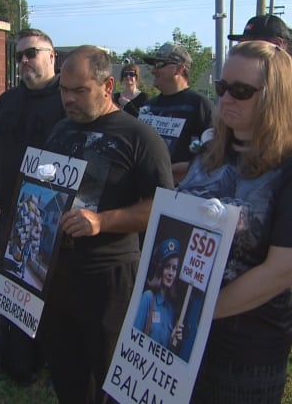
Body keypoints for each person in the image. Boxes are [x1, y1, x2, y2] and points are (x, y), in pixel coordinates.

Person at [176, 41, 292, 402]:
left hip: (246, 344)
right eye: (221, 87)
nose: (226, 98)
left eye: (241, 90)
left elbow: (283, 271)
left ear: (275, 97)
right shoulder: (210, 153)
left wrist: (198, 313)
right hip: (182, 325)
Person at [38, 45, 173, 403]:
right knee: (67, 374)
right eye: (64, 90)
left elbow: (163, 208)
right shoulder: (59, 130)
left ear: (108, 85)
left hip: (109, 278)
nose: (68, 99)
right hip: (55, 274)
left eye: (79, 90)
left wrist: (102, 220)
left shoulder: (139, 138)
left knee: (110, 378)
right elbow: (42, 186)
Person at [0, 28, 65, 384]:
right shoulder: (7, 100)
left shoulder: (67, 99)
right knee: (11, 285)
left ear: (51, 55)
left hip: (51, 218)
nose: (25, 61)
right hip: (10, 215)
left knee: (50, 289)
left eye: (31, 53)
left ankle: (47, 354)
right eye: (19, 56)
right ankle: (14, 350)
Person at [228, 14, 292, 166]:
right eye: (242, 44)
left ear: (278, 45)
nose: (244, 50)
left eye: (251, 44)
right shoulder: (242, 83)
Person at [139, 42, 214, 183]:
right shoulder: (148, 107)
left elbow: (215, 152)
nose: (153, 71)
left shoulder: (200, 105)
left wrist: (190, 167)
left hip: (178, 193)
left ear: (179, 68)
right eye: (153, 65)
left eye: (160, 65)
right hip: (142, 189)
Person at [133, 238, 182, 348]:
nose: (170, 273)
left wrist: (173, 341)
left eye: (174, 268)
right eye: (167, 267)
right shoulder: (148, 297)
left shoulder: (171, 309)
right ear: (160, 269)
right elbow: (133, 338)